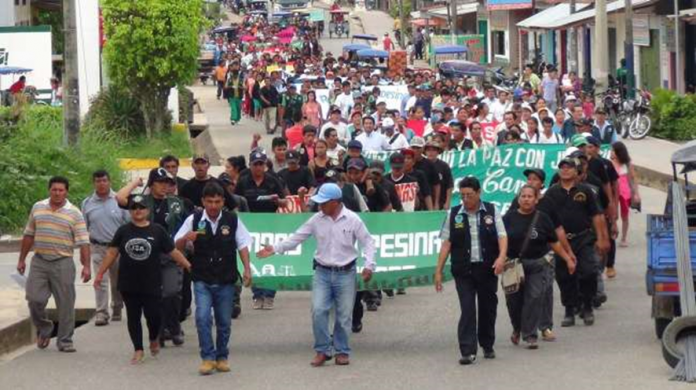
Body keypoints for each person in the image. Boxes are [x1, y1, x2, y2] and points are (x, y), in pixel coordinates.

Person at [256, 183, 376, 367]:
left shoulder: (353, 220)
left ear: (335, 202)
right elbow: (296, 238)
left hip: (346, 272)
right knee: (318, 310)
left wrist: (369, 265)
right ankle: (323, 350)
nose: (320, 206)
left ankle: (342, 351)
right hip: (322, 272)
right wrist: (275, 249)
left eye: (324, 203)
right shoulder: (316, 219)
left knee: (344, 315)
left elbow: (368, 242)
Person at [94, 195, 191, 365]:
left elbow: (172, 251)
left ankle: (154, 337)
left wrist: (187, 264)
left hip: (151, 282)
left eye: (141, 207)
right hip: (129, 282)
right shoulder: (123, 231)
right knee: (133, 316)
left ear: (148, 210)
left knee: (153, 316)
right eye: (134, 208)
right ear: (130, 211)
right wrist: (100, 273)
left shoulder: (157, 230)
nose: (138, 211)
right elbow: (111, 252)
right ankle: (138, 349)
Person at [175, 183, 252, 375]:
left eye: (217, 201)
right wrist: (186, 239)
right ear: (203, 202)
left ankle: (222, 356)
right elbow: (175, 245)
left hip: (226, 278)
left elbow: (242, 244)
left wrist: (247, 269)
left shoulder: (232, 219)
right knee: (202, 318)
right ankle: (207, 357)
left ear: (223, 201)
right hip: (202, 278)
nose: (213, 206)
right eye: (209, 201)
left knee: (224, 321)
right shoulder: (193, 220)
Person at [434, 177, 508, 365]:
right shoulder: (454, 214)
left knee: (487, 307)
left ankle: (487, 343)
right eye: (463, 195)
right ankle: (467, 350)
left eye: (470, 195)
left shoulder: (491, 211)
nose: (466, 199)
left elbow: (502, 236)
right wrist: (439, 270)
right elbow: (446, 244)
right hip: (463, 269)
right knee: (467, 309)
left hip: (487, 268)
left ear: (479, 193)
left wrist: (501, 257)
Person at [116, 168, 189, 346]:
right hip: (148, 257)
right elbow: (120, 198)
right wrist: (135, 183)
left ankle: (174, 326)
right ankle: (161, 330)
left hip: (170, 253)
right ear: (151, 184)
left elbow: (189, 222)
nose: (164, 186)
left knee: (171, 292)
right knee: (156, 296)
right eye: (160, 182)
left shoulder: (176, 203)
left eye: (167, 183)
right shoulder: (142, 202)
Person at [17, 176, 91, 353]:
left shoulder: (74, 213)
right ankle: (45, 328)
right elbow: (29, 234)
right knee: (34, 299)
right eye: (54, 189)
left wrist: (86, 266)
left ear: (66, 192)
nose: (57, 193)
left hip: (63, 262)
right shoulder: (38, 207)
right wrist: (21, 259)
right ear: (49, 190)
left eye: (61, 190)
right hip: (39, 261)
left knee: (65, 303)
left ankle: (65, 340)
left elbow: (84, 242)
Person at [503, 185, 575, 350]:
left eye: (530, 196)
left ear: (536, 199)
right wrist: (499, 259)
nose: (526, 199)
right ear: (518, 199)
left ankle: (530, 335)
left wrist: (567, 258)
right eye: (523, 196)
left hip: (536, 265)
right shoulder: (508, 218)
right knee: (514, 301)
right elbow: (500, 241)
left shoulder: (543, 219)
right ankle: (517, 328)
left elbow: (554, 242)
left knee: (534, 297)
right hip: (513, 266)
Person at [544, 157, 609, 327]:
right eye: (562, 167)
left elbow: (596, 215)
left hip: (584, 238)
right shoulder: (551, 193)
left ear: (575, 171)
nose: (565, 170)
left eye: (569, 167)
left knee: (588, 271)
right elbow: (545, 217)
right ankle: (569, 310)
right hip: (561, 242)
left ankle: (587, 306)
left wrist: (602, 238)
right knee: (564, 276)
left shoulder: (585, 191)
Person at [235, 150, 287, 309]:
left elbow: (285, 202)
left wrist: (278, 201)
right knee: (253, 258)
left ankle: (270, 295)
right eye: (255, 164)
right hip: (249, 224)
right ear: (250, 165)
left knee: (270, 257)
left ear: (265, 165)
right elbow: (235, 201)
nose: (258, 167)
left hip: (270, 223)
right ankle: (257, 295)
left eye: (261, 164)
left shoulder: (273, 181)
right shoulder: (243, 181)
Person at [81, 170, 129, 326]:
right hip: (97, 247)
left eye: (104, 180)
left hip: (117, 248)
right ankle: (101, 312)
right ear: (93, 183)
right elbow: (84, 229)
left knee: (117, 282)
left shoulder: (119, 200)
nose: (101, 184)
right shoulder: (87, 203)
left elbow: (128, 225)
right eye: (98, 181)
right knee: (100, 280)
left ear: (110, 181)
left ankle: (117, 306)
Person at [611, 141, 639, 251]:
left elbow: (633, 178)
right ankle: (613, 233)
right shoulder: (609, 163)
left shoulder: (627, 163)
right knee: (613, 214)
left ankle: (623, 237)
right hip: (614, 192)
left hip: (625, 192)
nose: (611, 153)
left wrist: (636, 193)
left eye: (613, 151)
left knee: (625, 215)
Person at [424, 141, 453, 210]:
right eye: (428, 150)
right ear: (425, 152)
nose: (431, 153)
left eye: (434, 150)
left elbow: (449, 185)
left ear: (438, 152)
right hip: (425, 202)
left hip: (441, 201)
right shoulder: (422, 165)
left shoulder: (444, 166)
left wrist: (447, 202)